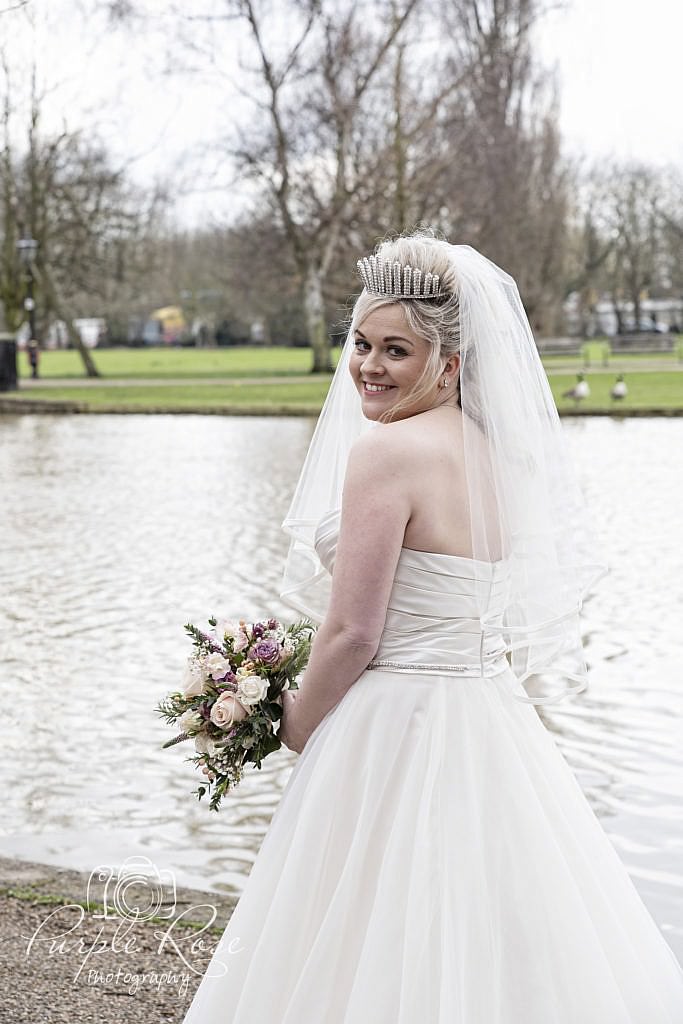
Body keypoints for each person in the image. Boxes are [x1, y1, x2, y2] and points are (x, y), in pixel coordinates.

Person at [181, 231, 683, 1023]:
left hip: (395, 722)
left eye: (396, 351)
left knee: (359, 920)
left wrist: (292, 725)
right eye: (361, 343)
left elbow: (352, 630)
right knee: (490, 918)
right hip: (490, 715)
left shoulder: (385, 454)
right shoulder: (492, 455)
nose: (368, 367)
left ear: (447, 364)